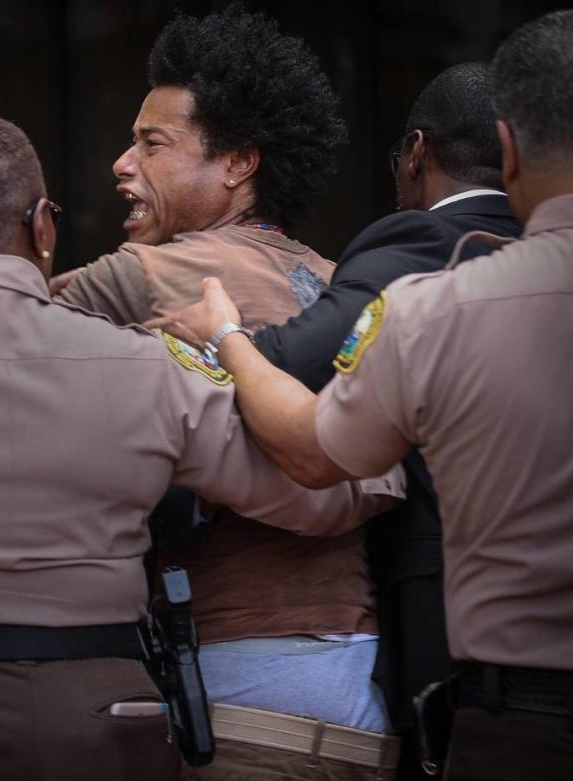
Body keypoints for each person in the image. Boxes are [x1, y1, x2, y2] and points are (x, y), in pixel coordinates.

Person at [0, 112, 402, 781]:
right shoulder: (146, 364)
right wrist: (377, 476)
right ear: (41, 226)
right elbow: (307, 496)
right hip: (105, 712)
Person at [155, 11, 573, 780]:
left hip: (524, 719)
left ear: (509, 147)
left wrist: (226, 337)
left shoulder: (434, 303)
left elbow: (313, 453)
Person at [58, 8, 399, 779]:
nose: (121, 163)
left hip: (245, 676)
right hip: (359, 674)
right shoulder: (335, 274)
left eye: (152, 144)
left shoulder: (157, 270)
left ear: (238, 162)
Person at [226, 62, 522, 779]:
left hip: (454, 621)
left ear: (416, 152)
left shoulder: (428, 246)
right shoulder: (542, 248)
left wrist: (222, 335)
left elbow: (299, 368)